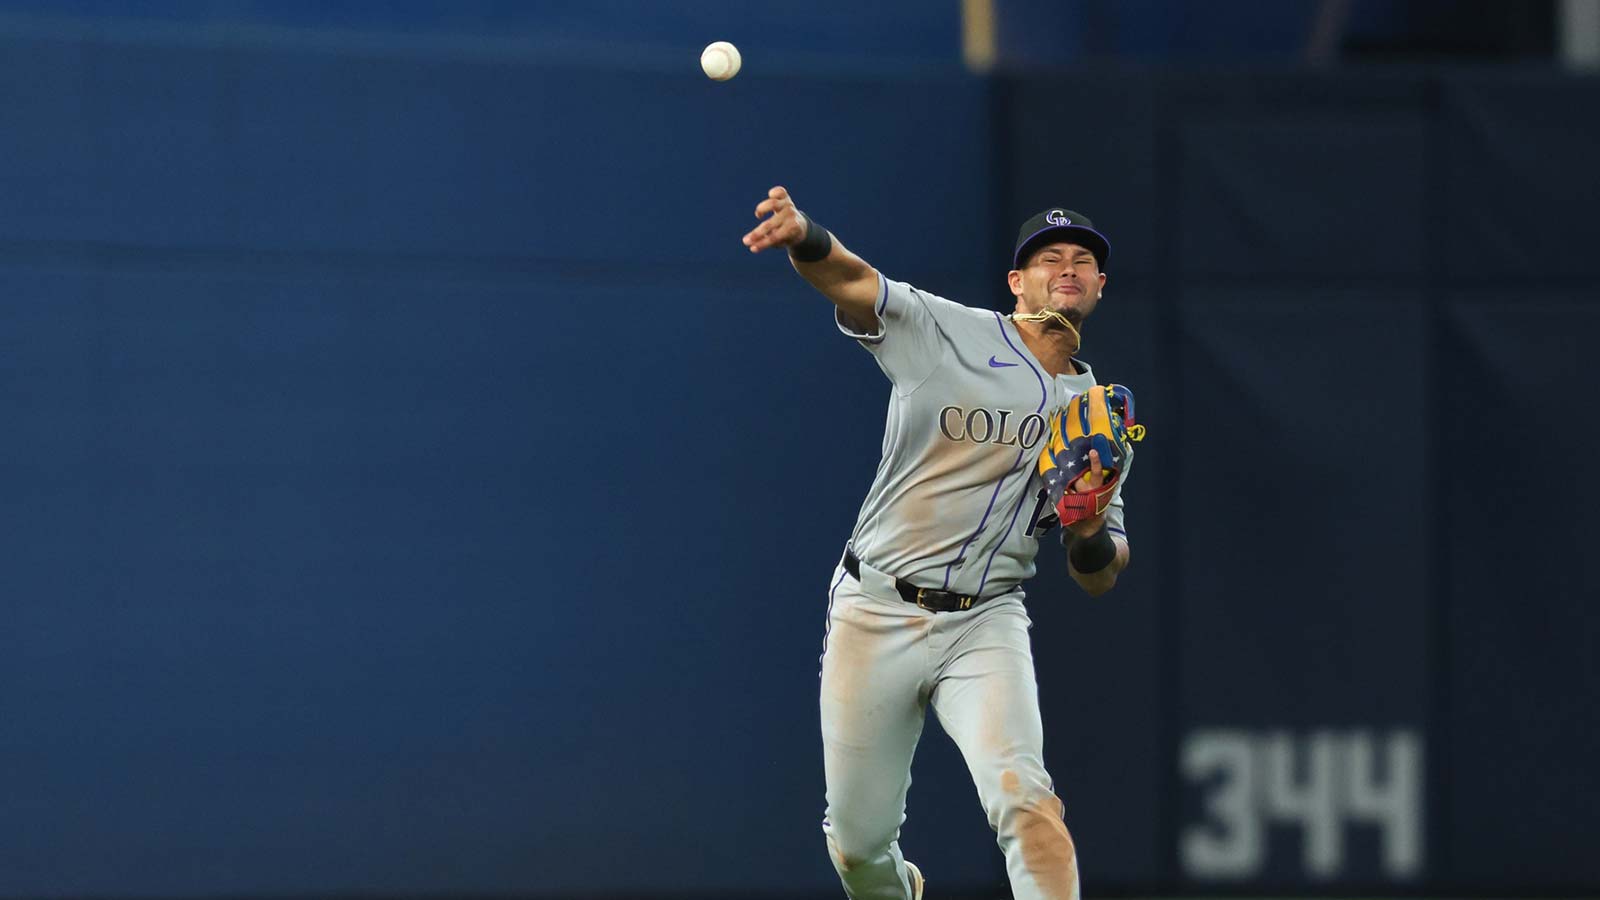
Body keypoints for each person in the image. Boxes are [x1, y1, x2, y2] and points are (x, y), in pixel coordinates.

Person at [741, 186, 1132, 900]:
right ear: (1018, 283)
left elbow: (1100, 573)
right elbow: (856, 282)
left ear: (1101, 286)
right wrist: (804, 236)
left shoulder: (1098, 418)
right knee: (859, 850)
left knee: (1027, 803)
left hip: (986, 621)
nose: (1067, 269)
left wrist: (1088, 527)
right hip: (877, 606)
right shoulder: (949, 331)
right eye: (1049, 260)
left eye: (1083, 261)